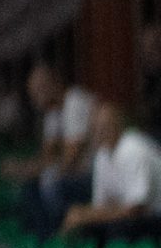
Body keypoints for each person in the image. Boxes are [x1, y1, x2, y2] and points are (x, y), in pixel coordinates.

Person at [9, 60, 100, 235]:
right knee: (29, 186)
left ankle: (68, 237)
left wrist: (34, 170)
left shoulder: (75, 102)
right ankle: (44, 244)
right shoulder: (52, 113)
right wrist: (25, 169)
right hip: (74, 174)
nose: (35, 97)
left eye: (40, 89)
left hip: (94, 175)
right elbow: (46, 157)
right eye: (33, 92)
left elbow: (70, 160)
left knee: (51, 184)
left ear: (55, 83)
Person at [60, 101, 161, 235]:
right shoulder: (103, 154)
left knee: (116, 227)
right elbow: (101, 204)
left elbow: (136, 209)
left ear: (117, 125)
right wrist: (82, 215)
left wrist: (85, 215)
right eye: (94, 128)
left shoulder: (134, 149)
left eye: (104, 127)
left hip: (154, 216)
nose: (98, 132)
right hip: (136, 217)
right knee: (84, 226)